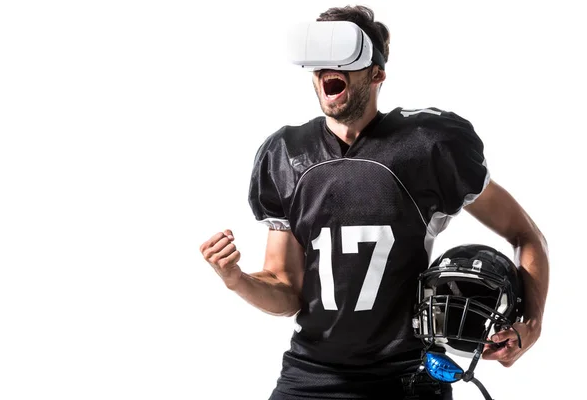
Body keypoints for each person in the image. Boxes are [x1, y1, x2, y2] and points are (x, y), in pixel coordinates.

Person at [199, 5, 548, 400]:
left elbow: (525, 234)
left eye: (342, 58)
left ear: (376, 72)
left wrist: (531, 323)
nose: (325, 69)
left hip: (407, 377)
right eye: (319, 61)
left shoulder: (428, 145)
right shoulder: (287, 155)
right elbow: (286, 290)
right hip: (310, 377)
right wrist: (237, 280)